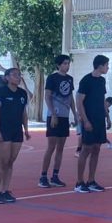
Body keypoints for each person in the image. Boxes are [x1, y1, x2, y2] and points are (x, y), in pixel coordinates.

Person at [0, 68, 30, 204]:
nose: (18, 77)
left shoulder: (22, 93)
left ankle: (6, 190)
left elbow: (23, 113)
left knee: (10, 161)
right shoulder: (0, 92)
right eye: (14, 75)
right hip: (3, 130)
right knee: (2, 161)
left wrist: (26, 129)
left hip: (16, 130)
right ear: (6, 77)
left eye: (19, 75)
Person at [74, 55, 109, 193]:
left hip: (100, 120)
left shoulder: (102, 80)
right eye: (106, 65)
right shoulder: (86, 80)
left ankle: (91, 180)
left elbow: (102, 99)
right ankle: (79, 182)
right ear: (100, 66)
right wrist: (85, 120)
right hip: (89, 119)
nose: (107, 67)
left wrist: (107, 117)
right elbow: (79, 101)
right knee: (86, 149)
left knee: (96, 149)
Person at [40, 54, 73, 188]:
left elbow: (70, 97)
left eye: (68, 63)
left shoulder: (70, 79)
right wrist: (53, 113)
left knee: (60, 148)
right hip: (54, 116)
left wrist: (75, 114)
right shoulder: (52, 78)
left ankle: (55, 176)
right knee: (51, 147)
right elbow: (47, 96)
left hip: (65, 117)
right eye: (64, 63)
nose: (67, 66)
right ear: (58, 65)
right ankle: (43, 176)